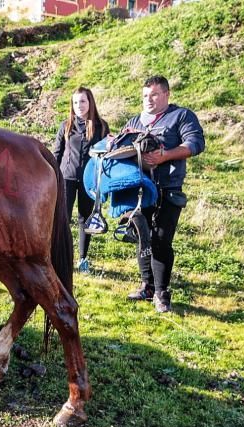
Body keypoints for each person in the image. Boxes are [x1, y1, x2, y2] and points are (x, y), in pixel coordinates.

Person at [123, 75, 205, 312]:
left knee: (161, 240)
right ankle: (146, 286)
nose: (149, 99)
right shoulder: (134, 121)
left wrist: (165, 155)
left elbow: (196, 143)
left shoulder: (181, 116)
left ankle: (161, 293)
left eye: (154, 94)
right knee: (142, 238)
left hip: (168, 189)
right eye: (145, 95)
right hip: (139, 190)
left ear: (167, 94)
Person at [53, 87, 110, 274]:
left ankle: (83, 259)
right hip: (66, 178)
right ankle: (59, 256)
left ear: (90, 102)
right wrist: (53, 176)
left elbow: (106, 154)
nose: (79, 105)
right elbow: (57, 153)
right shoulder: (66, 126)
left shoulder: (101, 126)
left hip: (89, 180)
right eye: (76, 102)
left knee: (85, 219)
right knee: (62, 218)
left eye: (83, 101)